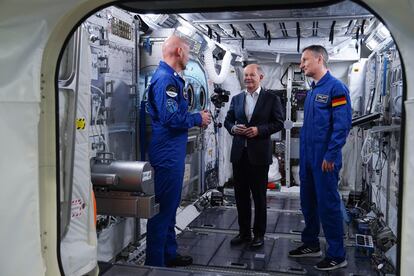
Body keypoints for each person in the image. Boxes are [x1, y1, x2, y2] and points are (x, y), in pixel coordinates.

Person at [145, 35, 211, 267]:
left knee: (170, 207)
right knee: (163, 211)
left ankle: (169, 254)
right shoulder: (165, 80)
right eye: (188, 51)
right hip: (166, 154)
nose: (190, 56)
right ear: (179, 52)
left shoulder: (172, 79)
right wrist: (198, 117)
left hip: (171, 152)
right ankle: (154, 263)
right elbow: (171, 117)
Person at [288, 45, 352, 271]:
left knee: (328, 205)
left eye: (305, 60)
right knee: (308, 203)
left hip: (325, 159)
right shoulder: (314, 90)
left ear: (319, 59)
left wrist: (332, 154)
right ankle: (311, 243)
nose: (301, 64)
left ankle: (336, 254)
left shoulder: (336, 88)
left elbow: (342, 125)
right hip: (308, 158)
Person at [224, 64, 284, 248]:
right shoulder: (237, 98)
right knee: (241, 196)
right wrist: (234, 128)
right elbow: (228, 120)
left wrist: (259, 130)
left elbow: (278, 123)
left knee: (259, 197)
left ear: (261, 77)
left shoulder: (271, 98)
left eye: (252, 75)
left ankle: (259, 234)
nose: (248, 78)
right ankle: (244, 233)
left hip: (259, 156)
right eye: (246, 75)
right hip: (240, 154)